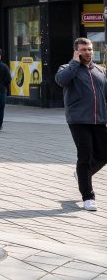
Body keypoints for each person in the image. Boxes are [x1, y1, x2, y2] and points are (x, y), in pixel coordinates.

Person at [56, 37, 107, 211]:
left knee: (103, 154)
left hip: (99, 120)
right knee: (85, 155)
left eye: (90, 49)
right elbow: (61, 80)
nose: (87, 52)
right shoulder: (68, 69)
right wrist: (74, 63)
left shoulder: (100, 71)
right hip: (78, 120)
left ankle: (81, 174)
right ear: (76, 52)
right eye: (83, 50)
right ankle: (88, 196)